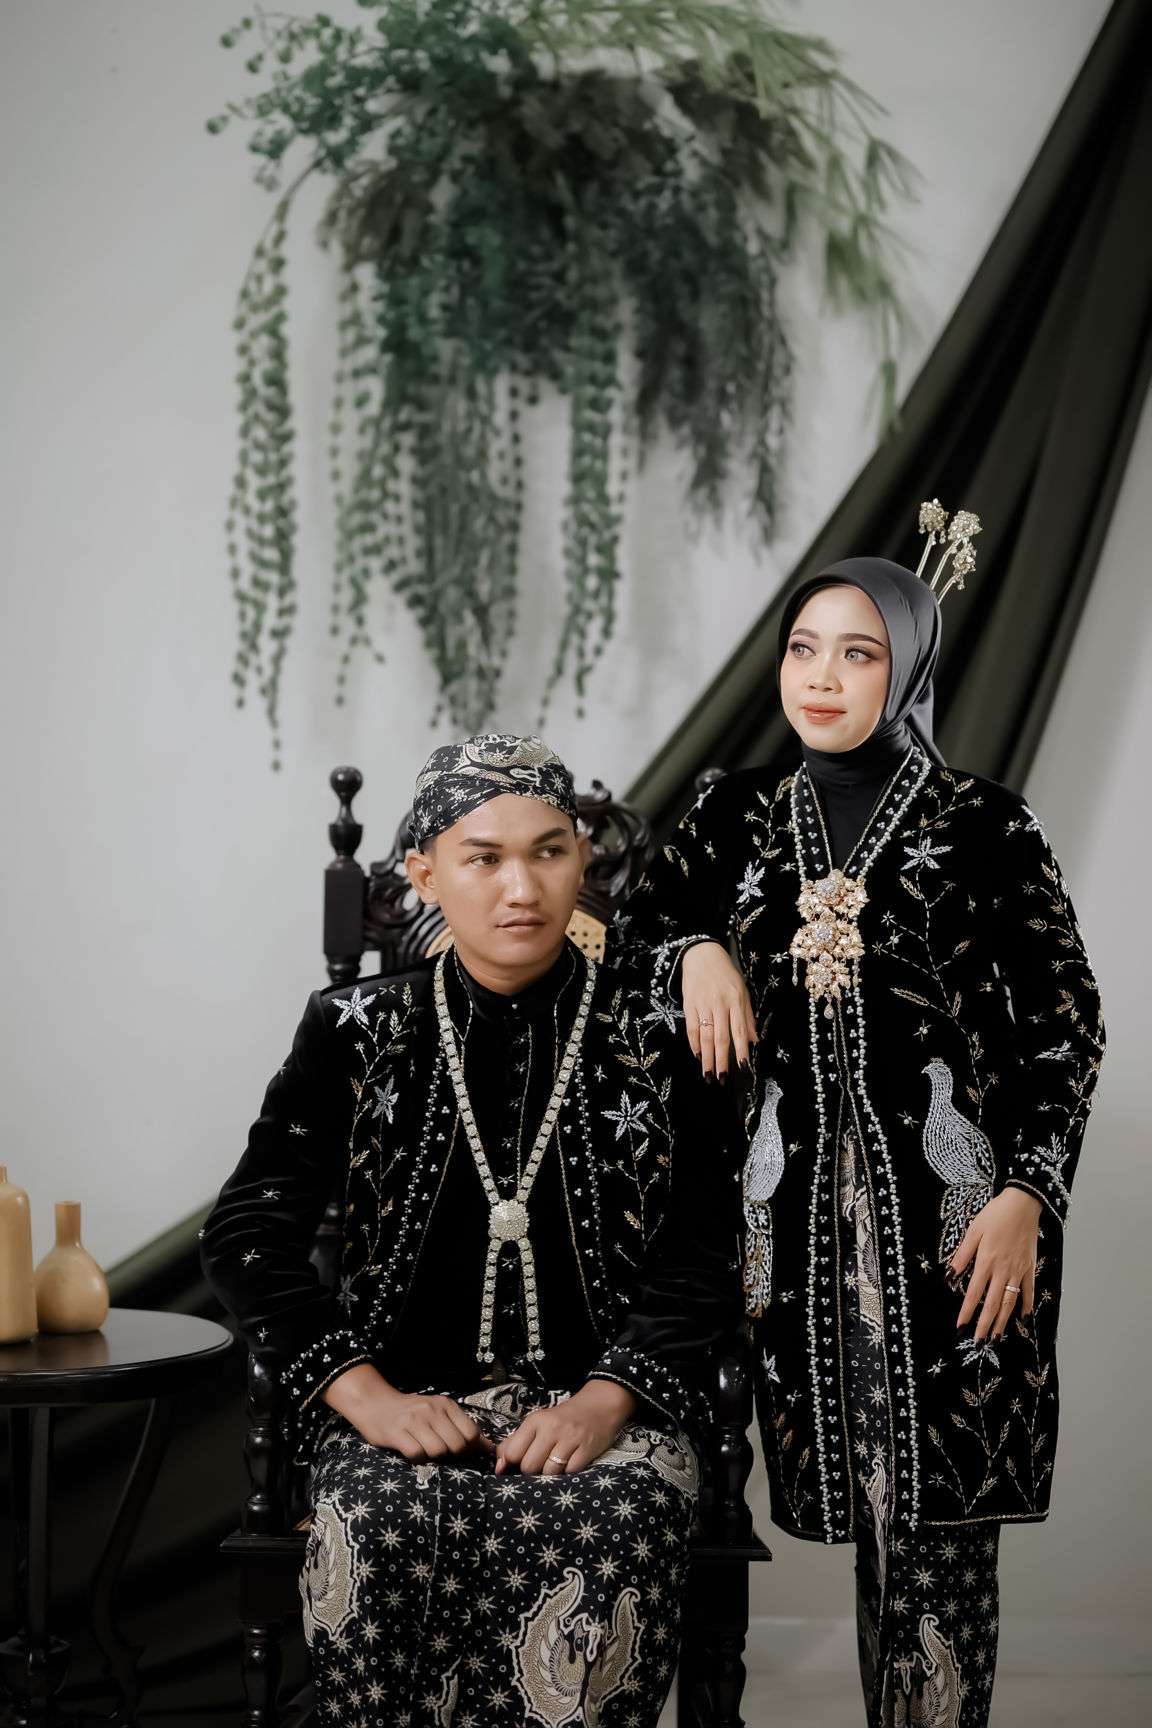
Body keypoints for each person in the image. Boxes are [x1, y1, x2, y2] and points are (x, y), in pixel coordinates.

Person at [610, 546, 1104, 1727]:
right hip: (789, 1236)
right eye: (803, 648)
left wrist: (1030, 1197)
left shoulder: (985, 824)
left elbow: (1065, 1023)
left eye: (859, 652)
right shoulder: (732, 816)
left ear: (910, 667)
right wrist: (696, 949)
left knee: (936, 1539)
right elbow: (630, 938)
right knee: (857, 1498)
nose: (822, 676)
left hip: (959, 1221)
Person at [201, 733, 741, 1728]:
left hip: (616, 1413)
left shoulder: (665, 1030)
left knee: (612, 1523)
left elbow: (709, 1250)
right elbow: (244, 1234)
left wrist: (604, 1402)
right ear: (425, 876)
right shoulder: (354, 1028)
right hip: (406, 1405)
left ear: (582, 858)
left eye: (548, 852)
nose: (520, 888)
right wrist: (365, 1396)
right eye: (483, 858)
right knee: (375, 1518)